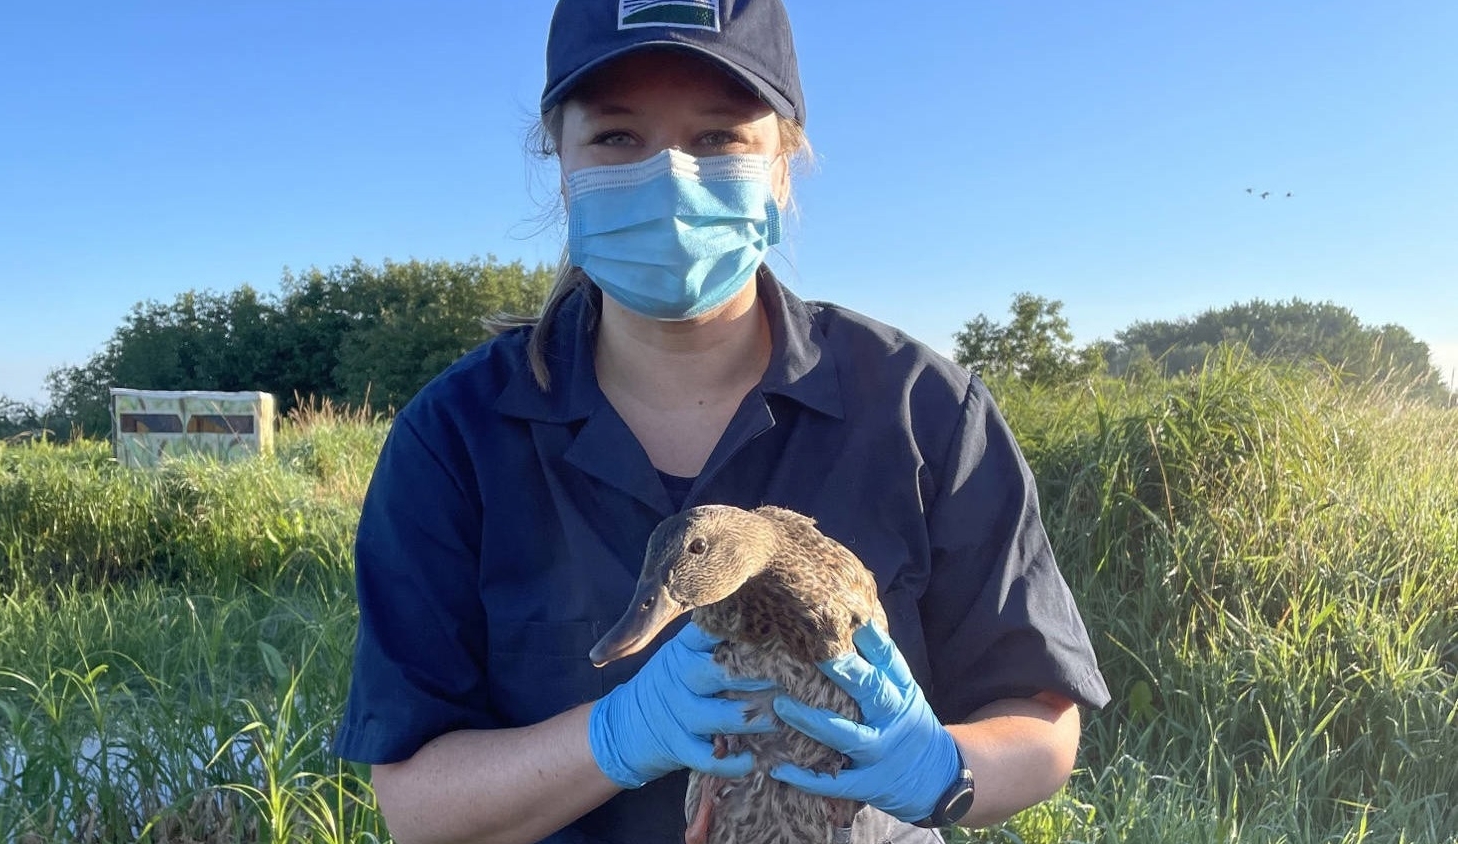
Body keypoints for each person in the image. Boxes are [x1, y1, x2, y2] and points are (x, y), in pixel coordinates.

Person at [333, 1, 1111, 842]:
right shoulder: (453, 438)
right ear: (560, 163)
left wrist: (940, 774)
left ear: (783, 162)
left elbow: (1040, 722)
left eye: (717, 139)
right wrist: (615, 737)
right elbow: (414, 805)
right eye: (618, 139)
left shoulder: (924, 410)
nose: (669, 176)